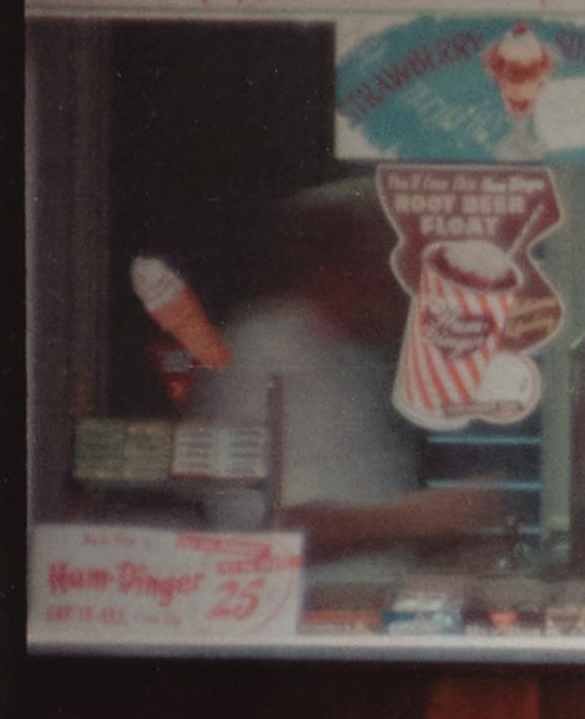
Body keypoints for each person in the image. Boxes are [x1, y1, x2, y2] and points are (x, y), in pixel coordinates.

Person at [190, 180, 507, 567]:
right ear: (334, 267)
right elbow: (273, 529)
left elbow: (370, 510)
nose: (397, 282)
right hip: (296, 617)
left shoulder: (358, 361)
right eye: (379, 262)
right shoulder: (259, 353)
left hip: (368, 612)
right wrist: (424, 518)